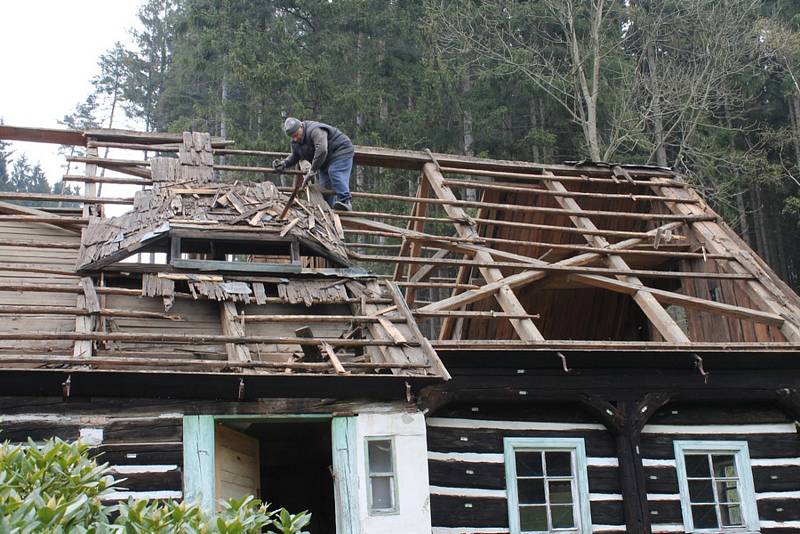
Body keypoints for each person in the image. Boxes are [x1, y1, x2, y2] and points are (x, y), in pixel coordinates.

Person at [272, 117, 354, 211]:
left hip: (341, 151)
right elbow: (296, 156)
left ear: (301, 127)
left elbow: (322, 150)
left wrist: (313, 170)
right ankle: (330, 211)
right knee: (325, 188)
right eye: (292, 137)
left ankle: (345, 201)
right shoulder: (295, 141)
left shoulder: (315, 130)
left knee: (335, 172)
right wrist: (284, 163)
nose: (295, 138)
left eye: (296, 135)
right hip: (325, 161)